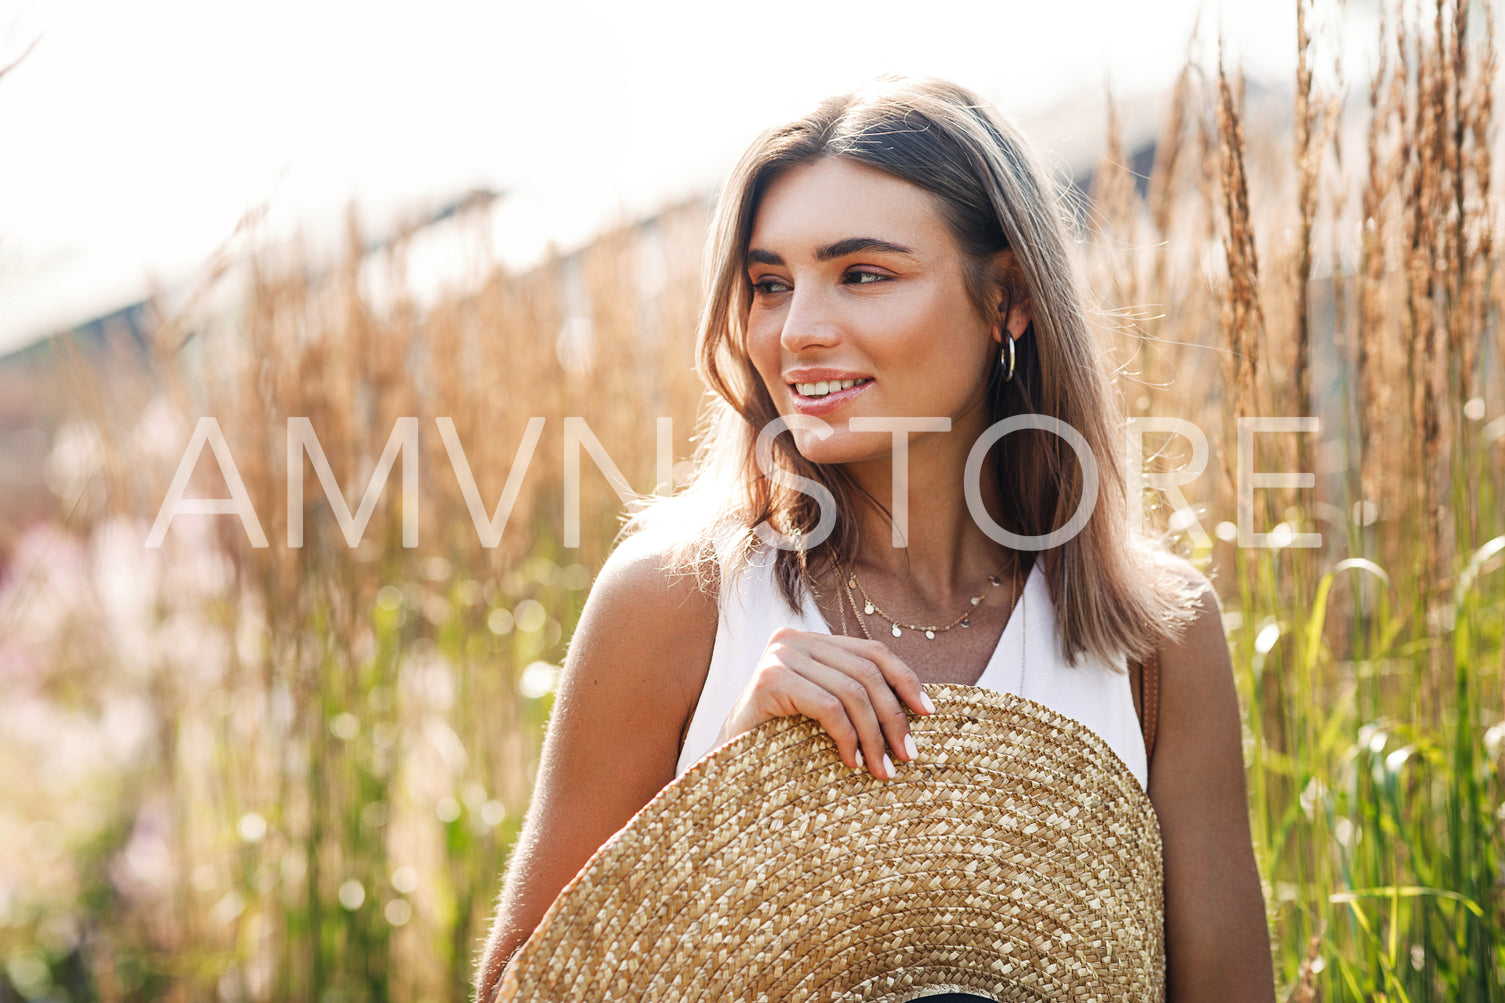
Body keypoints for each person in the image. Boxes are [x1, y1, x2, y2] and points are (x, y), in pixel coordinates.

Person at [475, 75, 1275, 1000]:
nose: (796, 331)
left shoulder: (1154, 635)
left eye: (862, 274)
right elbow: (527, 990)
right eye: (769, 283)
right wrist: (734, 797)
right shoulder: (677, 599)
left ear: (1006, 297)